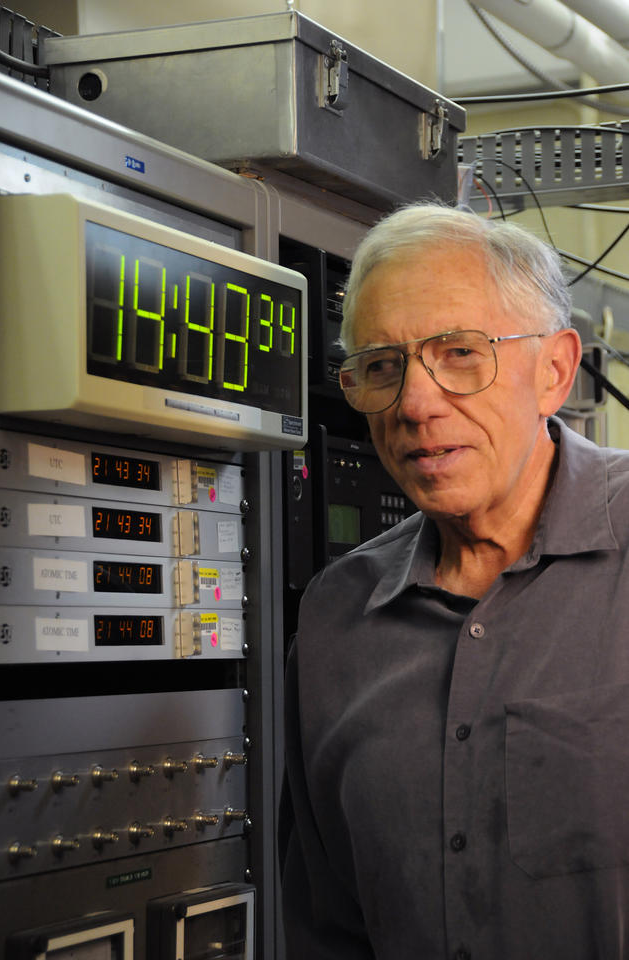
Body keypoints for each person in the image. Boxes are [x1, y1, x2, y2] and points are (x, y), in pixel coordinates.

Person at [279, 202, 629, 960]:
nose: (413, 403)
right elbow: (326, 928)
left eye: (460, 353)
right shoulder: (337, 621)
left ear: (555, 371)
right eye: (381, 366)